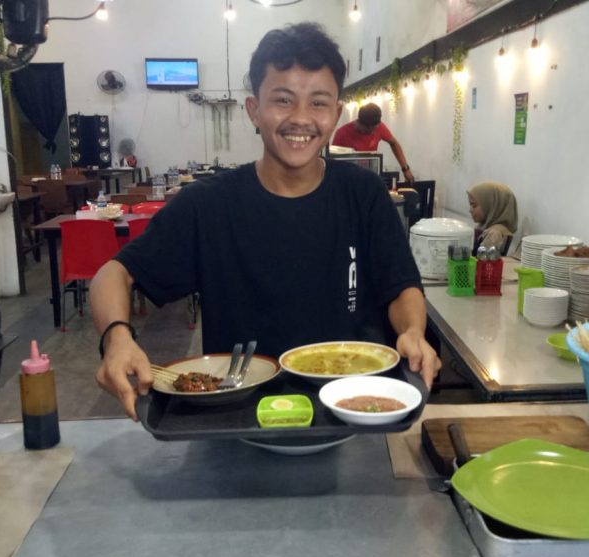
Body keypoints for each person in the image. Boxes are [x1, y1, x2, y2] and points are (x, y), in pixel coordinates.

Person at [90, 23, 440, 420]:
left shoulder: (364, 194)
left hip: (352, 414)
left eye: (318, 103)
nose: (301, 118)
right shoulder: (208, 204)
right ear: (254, 110)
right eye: (283, 100)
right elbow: (114, 273)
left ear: (336, 114)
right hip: (235, 419)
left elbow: (401, 286)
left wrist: (412, 332)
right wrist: (116, 338)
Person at [331, 103, 415, 183]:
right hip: (348, 178)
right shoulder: (342, 133)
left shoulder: (379, 127)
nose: (373, 132)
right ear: (361, 124)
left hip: (370, 176)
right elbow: (332, 162)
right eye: (370, 130)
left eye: (375, 128)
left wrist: (405, 169)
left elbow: (394, 144)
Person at [467, 182, 518, 254]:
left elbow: (484, 258)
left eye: (474, 206)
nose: (470, 210)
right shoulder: (486, 226)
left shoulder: (494, 233)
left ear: (491, 206)